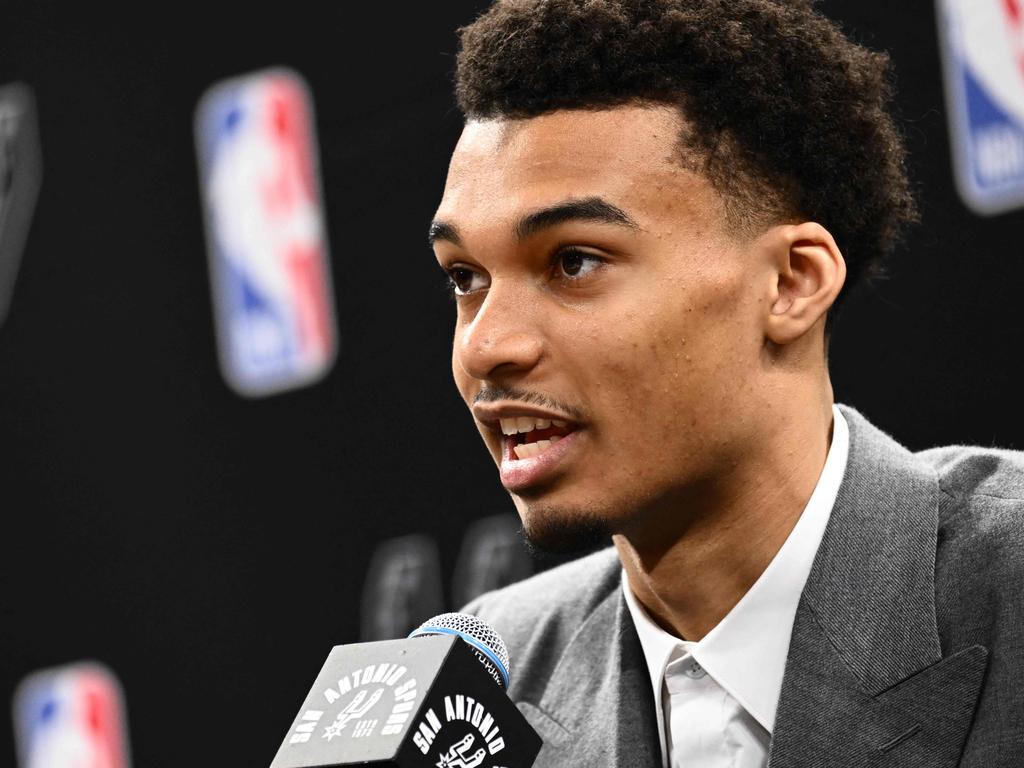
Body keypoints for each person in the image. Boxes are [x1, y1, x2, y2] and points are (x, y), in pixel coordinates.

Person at [427, 1, 1024, 765]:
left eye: (573, 261)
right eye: (465, 278)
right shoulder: (486, 693)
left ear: (790, 283)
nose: (486, 346)